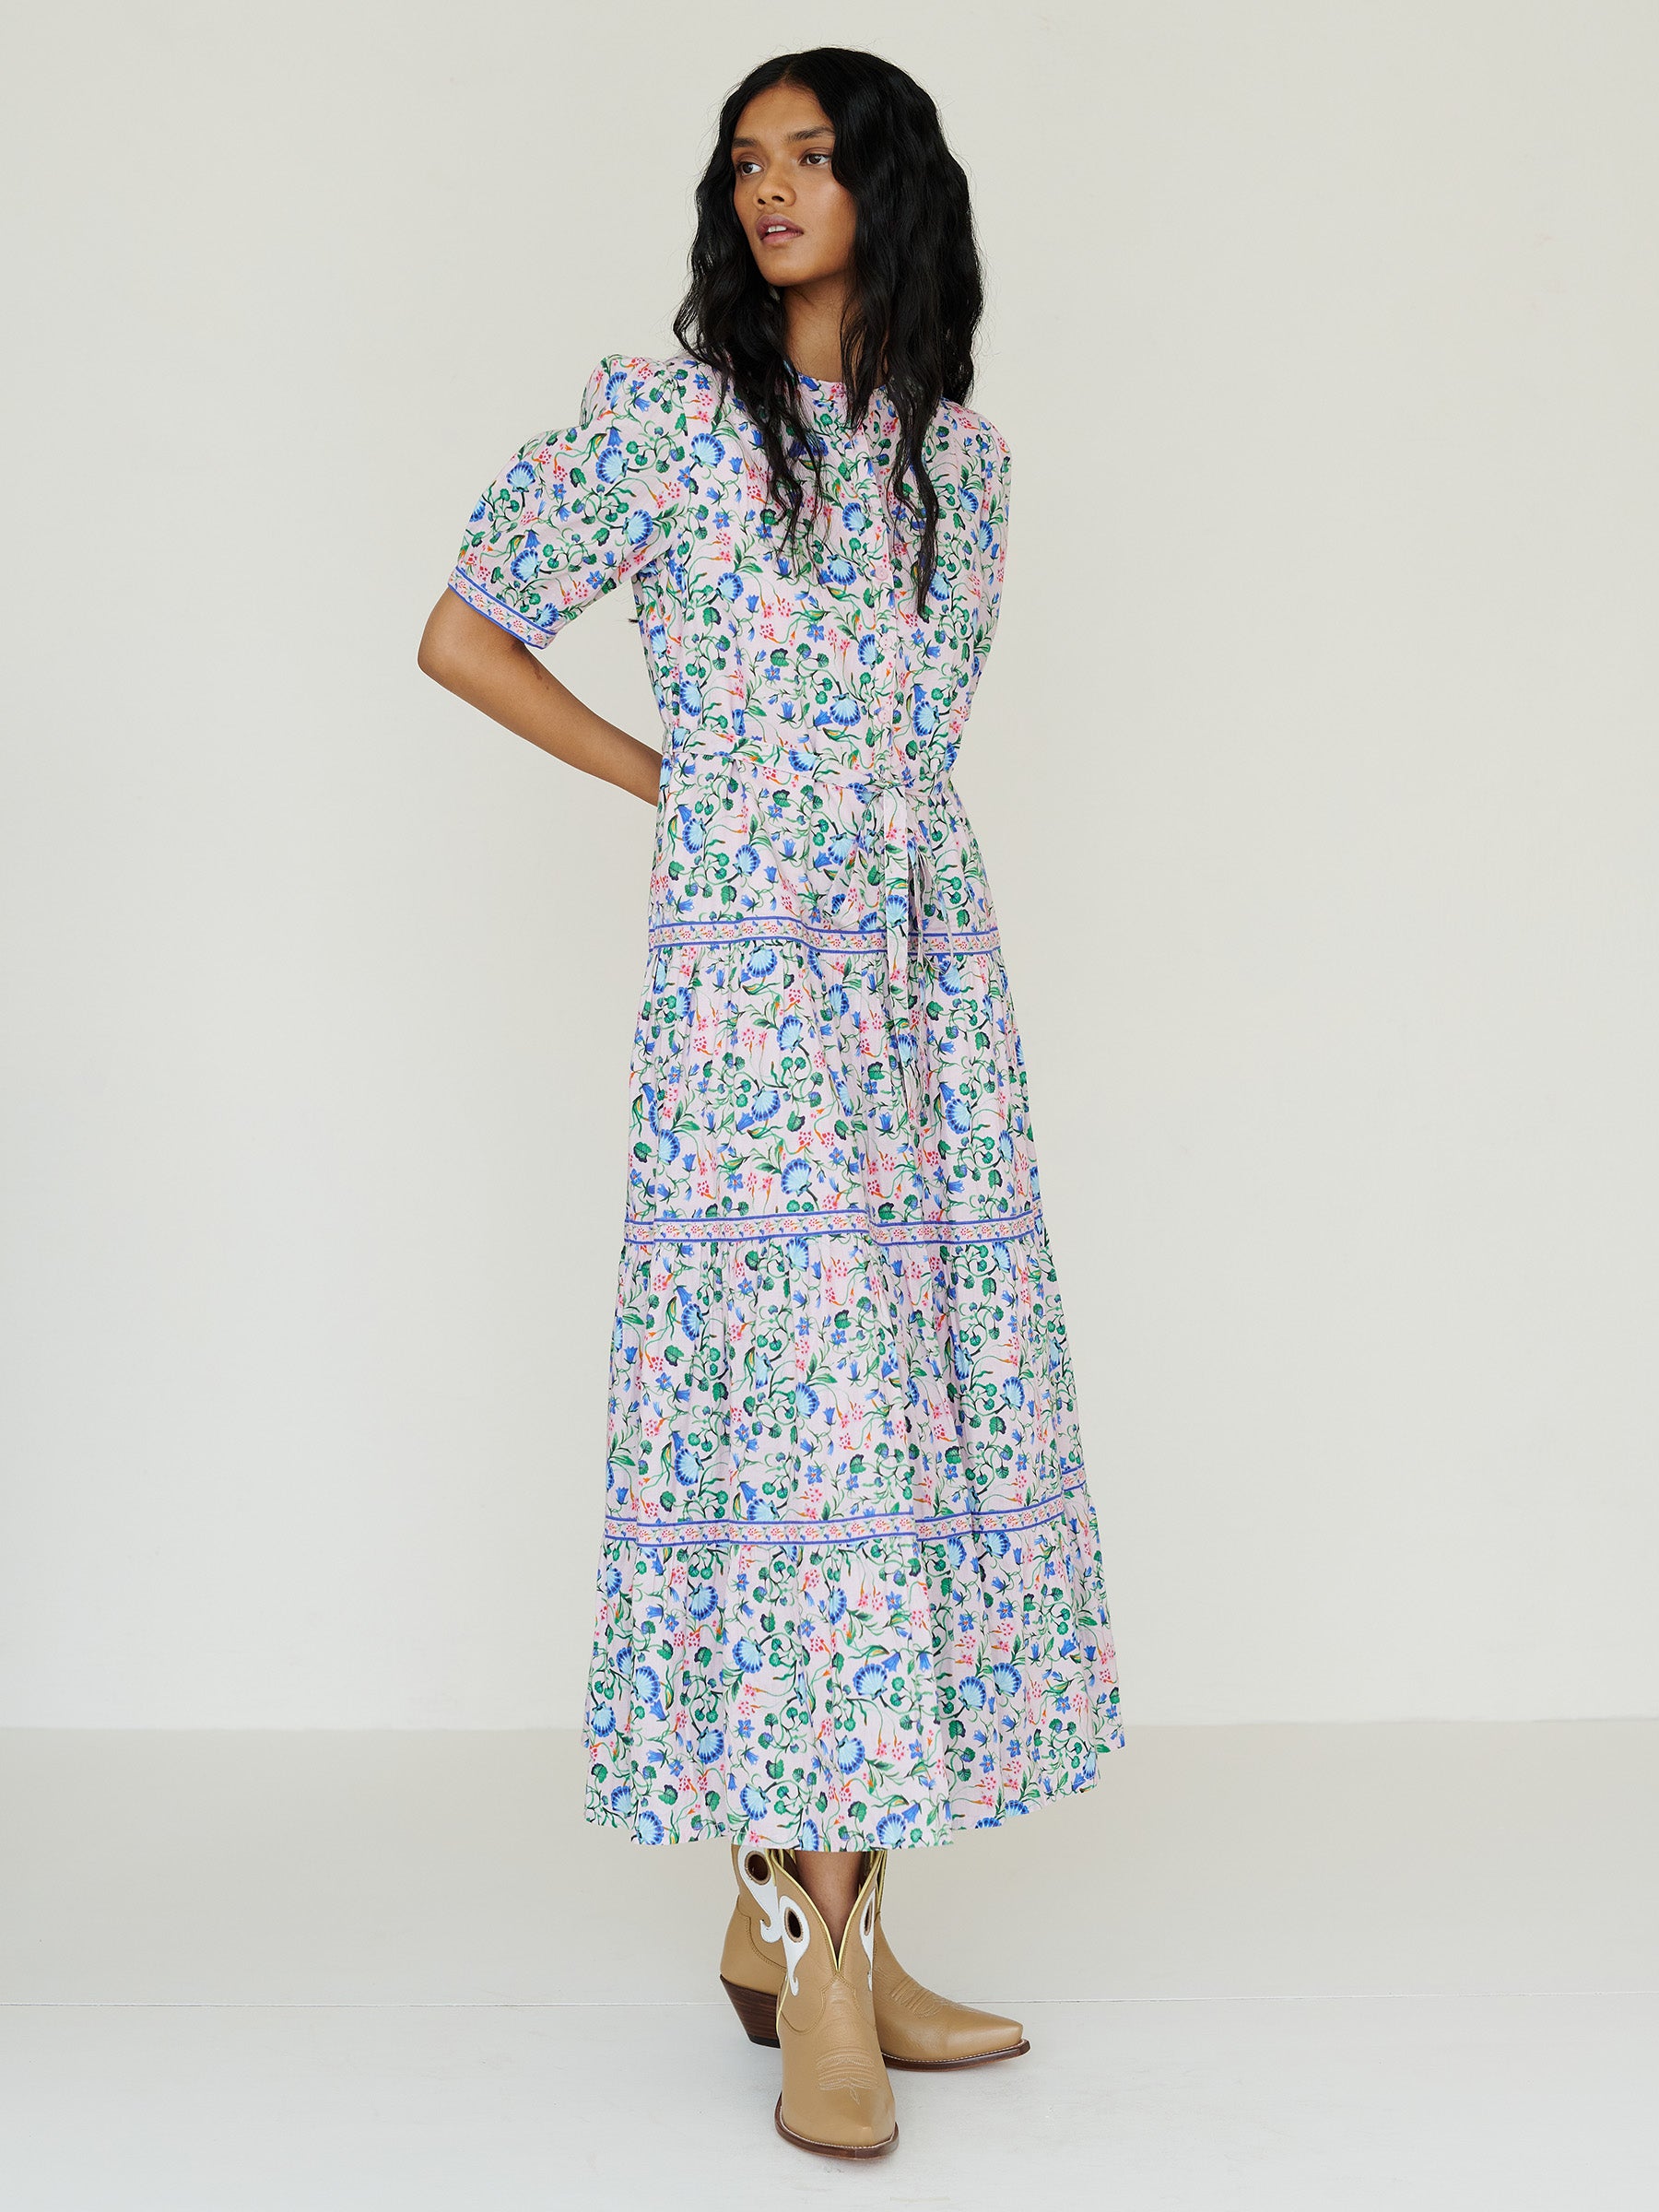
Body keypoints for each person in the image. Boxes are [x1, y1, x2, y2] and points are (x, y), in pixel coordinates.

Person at [418, 45, 1124, 2161]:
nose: (770, 191)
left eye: (812, 158)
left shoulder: (964, 466)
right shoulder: (664, 426)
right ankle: (811, 1955)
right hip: (754, 1013)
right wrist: (678, 789)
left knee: (891, 1433)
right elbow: (464, 636)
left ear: (890, 187)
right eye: (744, 164)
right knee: (796, 1432)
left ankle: (831, 1926)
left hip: (926, 994)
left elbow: (910, 746)